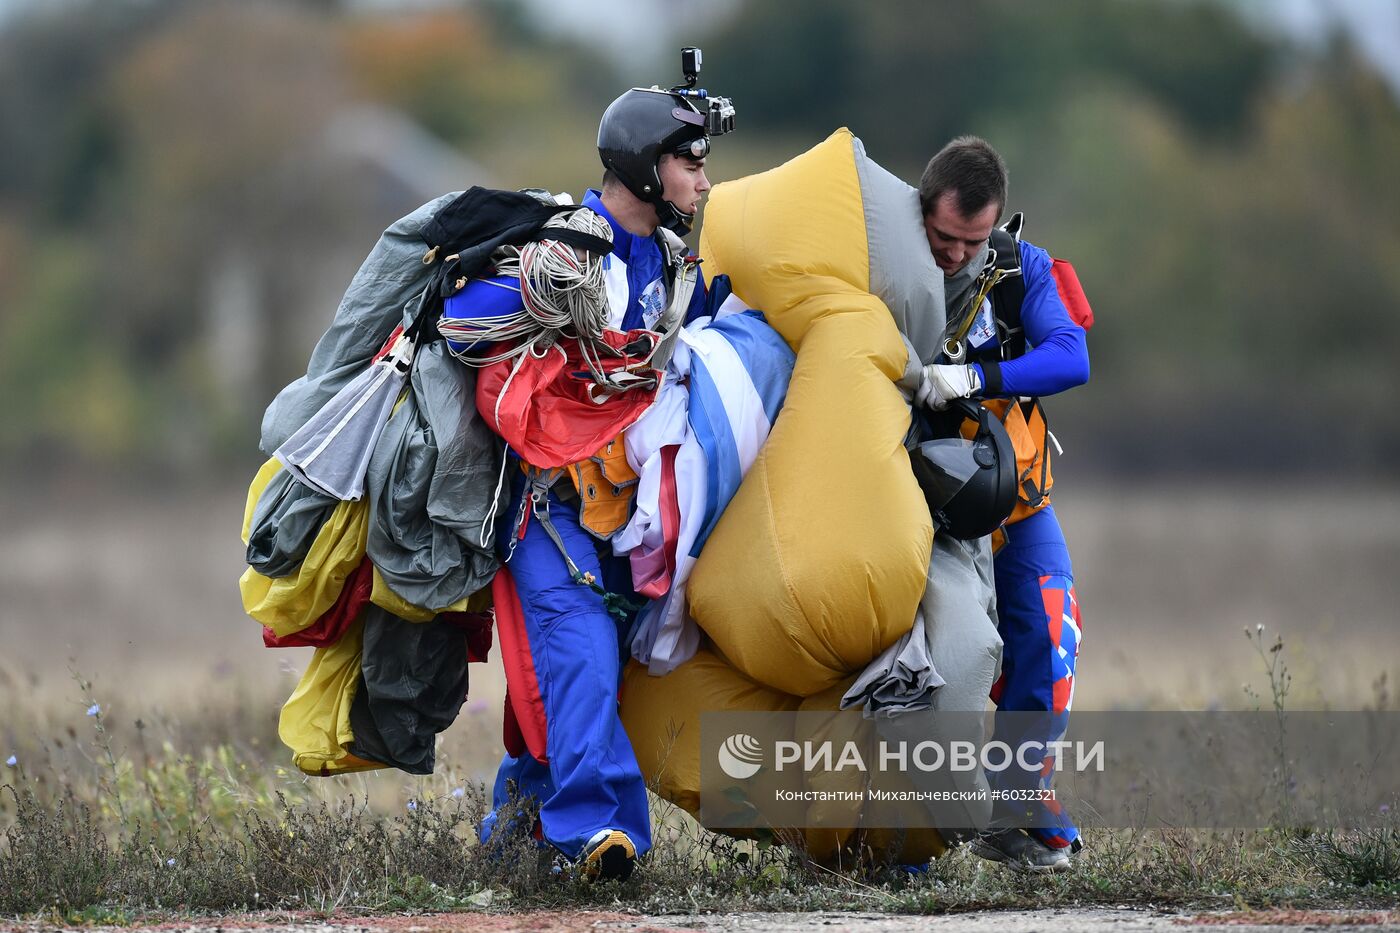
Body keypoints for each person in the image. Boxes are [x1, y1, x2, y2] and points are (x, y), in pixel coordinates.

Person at [470, 78, 728, 883]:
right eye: (691, 161)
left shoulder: (668, 256)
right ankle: (600, 833)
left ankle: (511, 835)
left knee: (581, 672)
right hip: (543, 506)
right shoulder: (561, 251)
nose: (703, 179)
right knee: (578, 651)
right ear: (648, 166)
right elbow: (483, 331)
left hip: (621, 513)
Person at [913, 136, 1090, 871]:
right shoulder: (889, 267)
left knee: (1051, 638)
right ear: (923, 210)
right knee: (932, 665)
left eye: (971, 240)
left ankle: (1020, 808)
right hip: (919, 518)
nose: (954, 253)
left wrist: (975, 378)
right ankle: (906, 833)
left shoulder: (1024, 269)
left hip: (1014, 506)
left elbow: (1070, 356)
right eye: (943, 236)